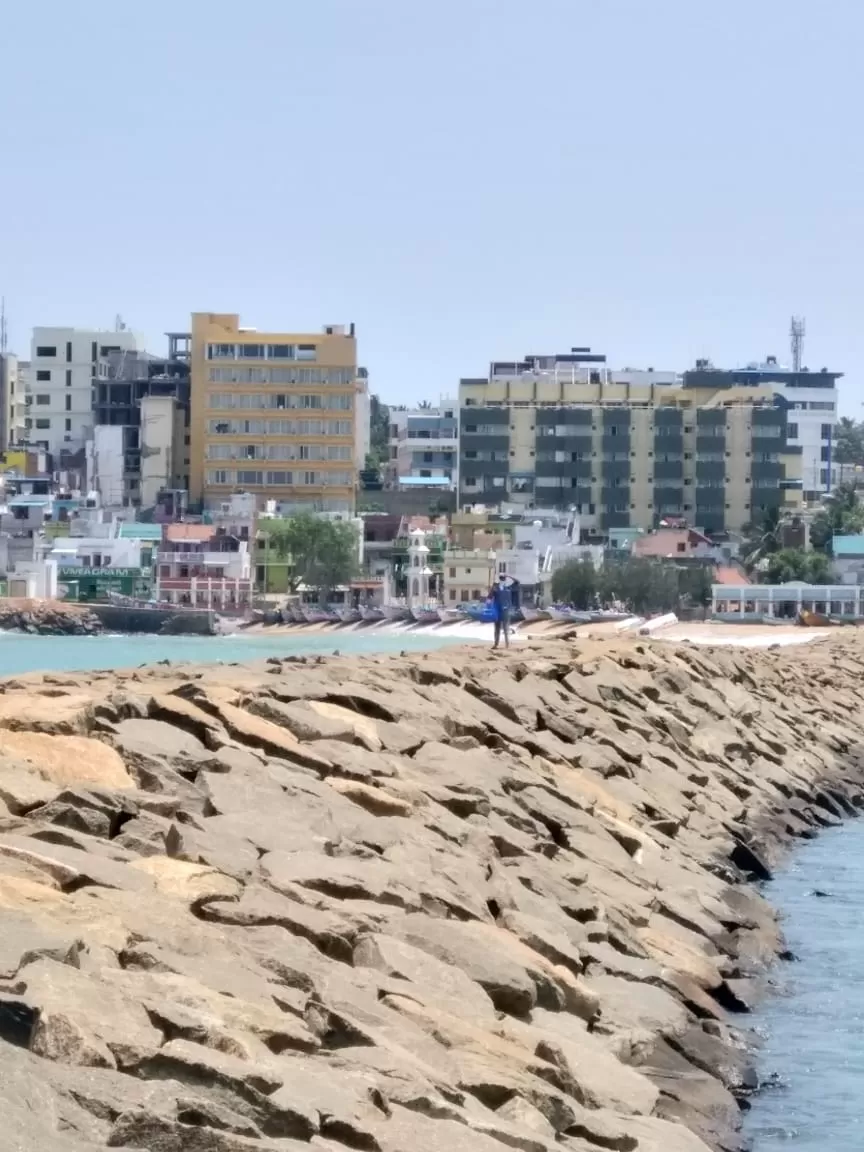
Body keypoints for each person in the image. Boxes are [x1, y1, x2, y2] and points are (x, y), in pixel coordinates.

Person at [490, 575, 512, 649]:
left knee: (506, 628)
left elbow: (509, 601)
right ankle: (496, 644)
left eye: (504, 579)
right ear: (500, 580)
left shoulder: (507, 589)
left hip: (505, 611)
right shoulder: (495, 588)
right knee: (497, 628)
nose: (503, 580)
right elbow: (490, 597)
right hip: (497, 610)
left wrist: (508, 608)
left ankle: (507, 644)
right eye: (502, 579)